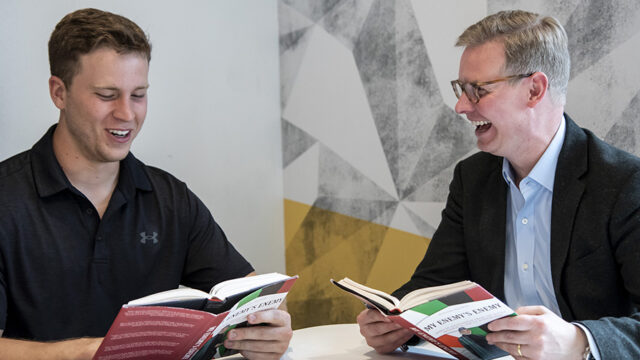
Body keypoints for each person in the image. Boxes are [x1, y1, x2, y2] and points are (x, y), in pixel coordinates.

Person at [0, 8, 291, 360]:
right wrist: (82, 353)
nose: (127, 114)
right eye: (107, 95)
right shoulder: (6, 200)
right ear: (59, 93)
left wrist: (267, 328)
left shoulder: (171, 199)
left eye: (138, 94)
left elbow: (254, 297)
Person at [357, 10, 640, 360]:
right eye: (462, 89)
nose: (461, 106)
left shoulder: (625, 183)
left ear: (534, 89)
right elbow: (433, 286)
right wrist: (395, 324)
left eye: (478, 90)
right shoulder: (471, 179)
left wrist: (578, 341)